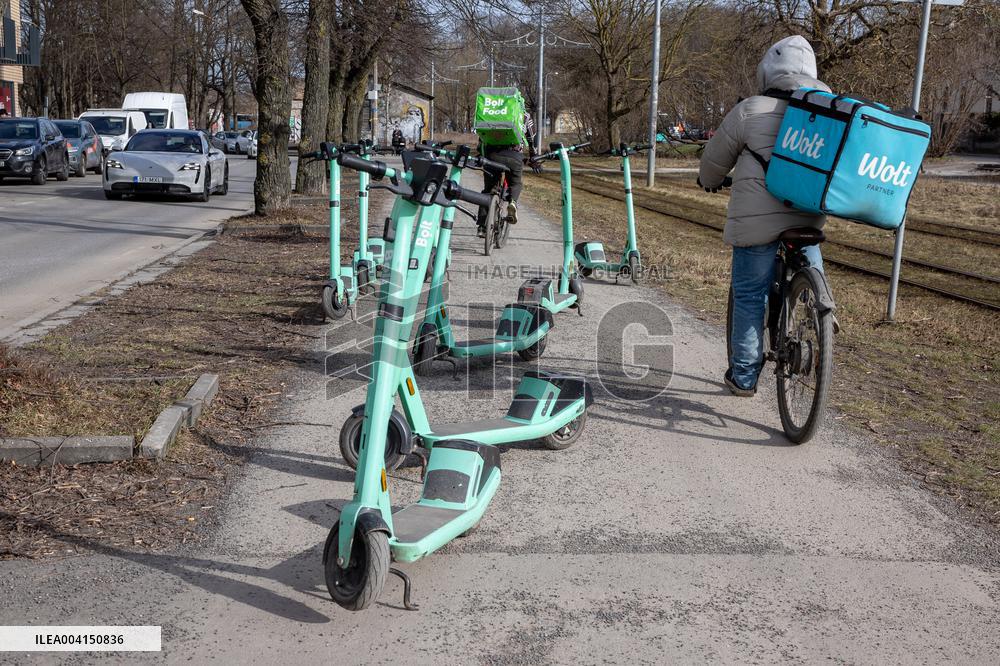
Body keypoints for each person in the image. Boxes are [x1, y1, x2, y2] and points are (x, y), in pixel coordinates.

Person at [698, 35, 830, 397]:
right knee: (810, 267)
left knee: (749, 294)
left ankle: (744, 376)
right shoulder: (831, 110)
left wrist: (708, 181)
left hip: (757, 223)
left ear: (769, 72)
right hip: (808, 219)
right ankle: (821, 312)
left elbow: (713, 162)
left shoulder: (751, 109)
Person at [478, 110, 541, 235]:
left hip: (491, 156)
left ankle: (481, 227)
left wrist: (481, 155)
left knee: (488, 189)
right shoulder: (525, 115)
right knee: (515, 183)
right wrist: (534, 159)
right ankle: (512, 202)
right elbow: (531, 141)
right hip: (514, 157)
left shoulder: (491, 113)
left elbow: (482, 138)